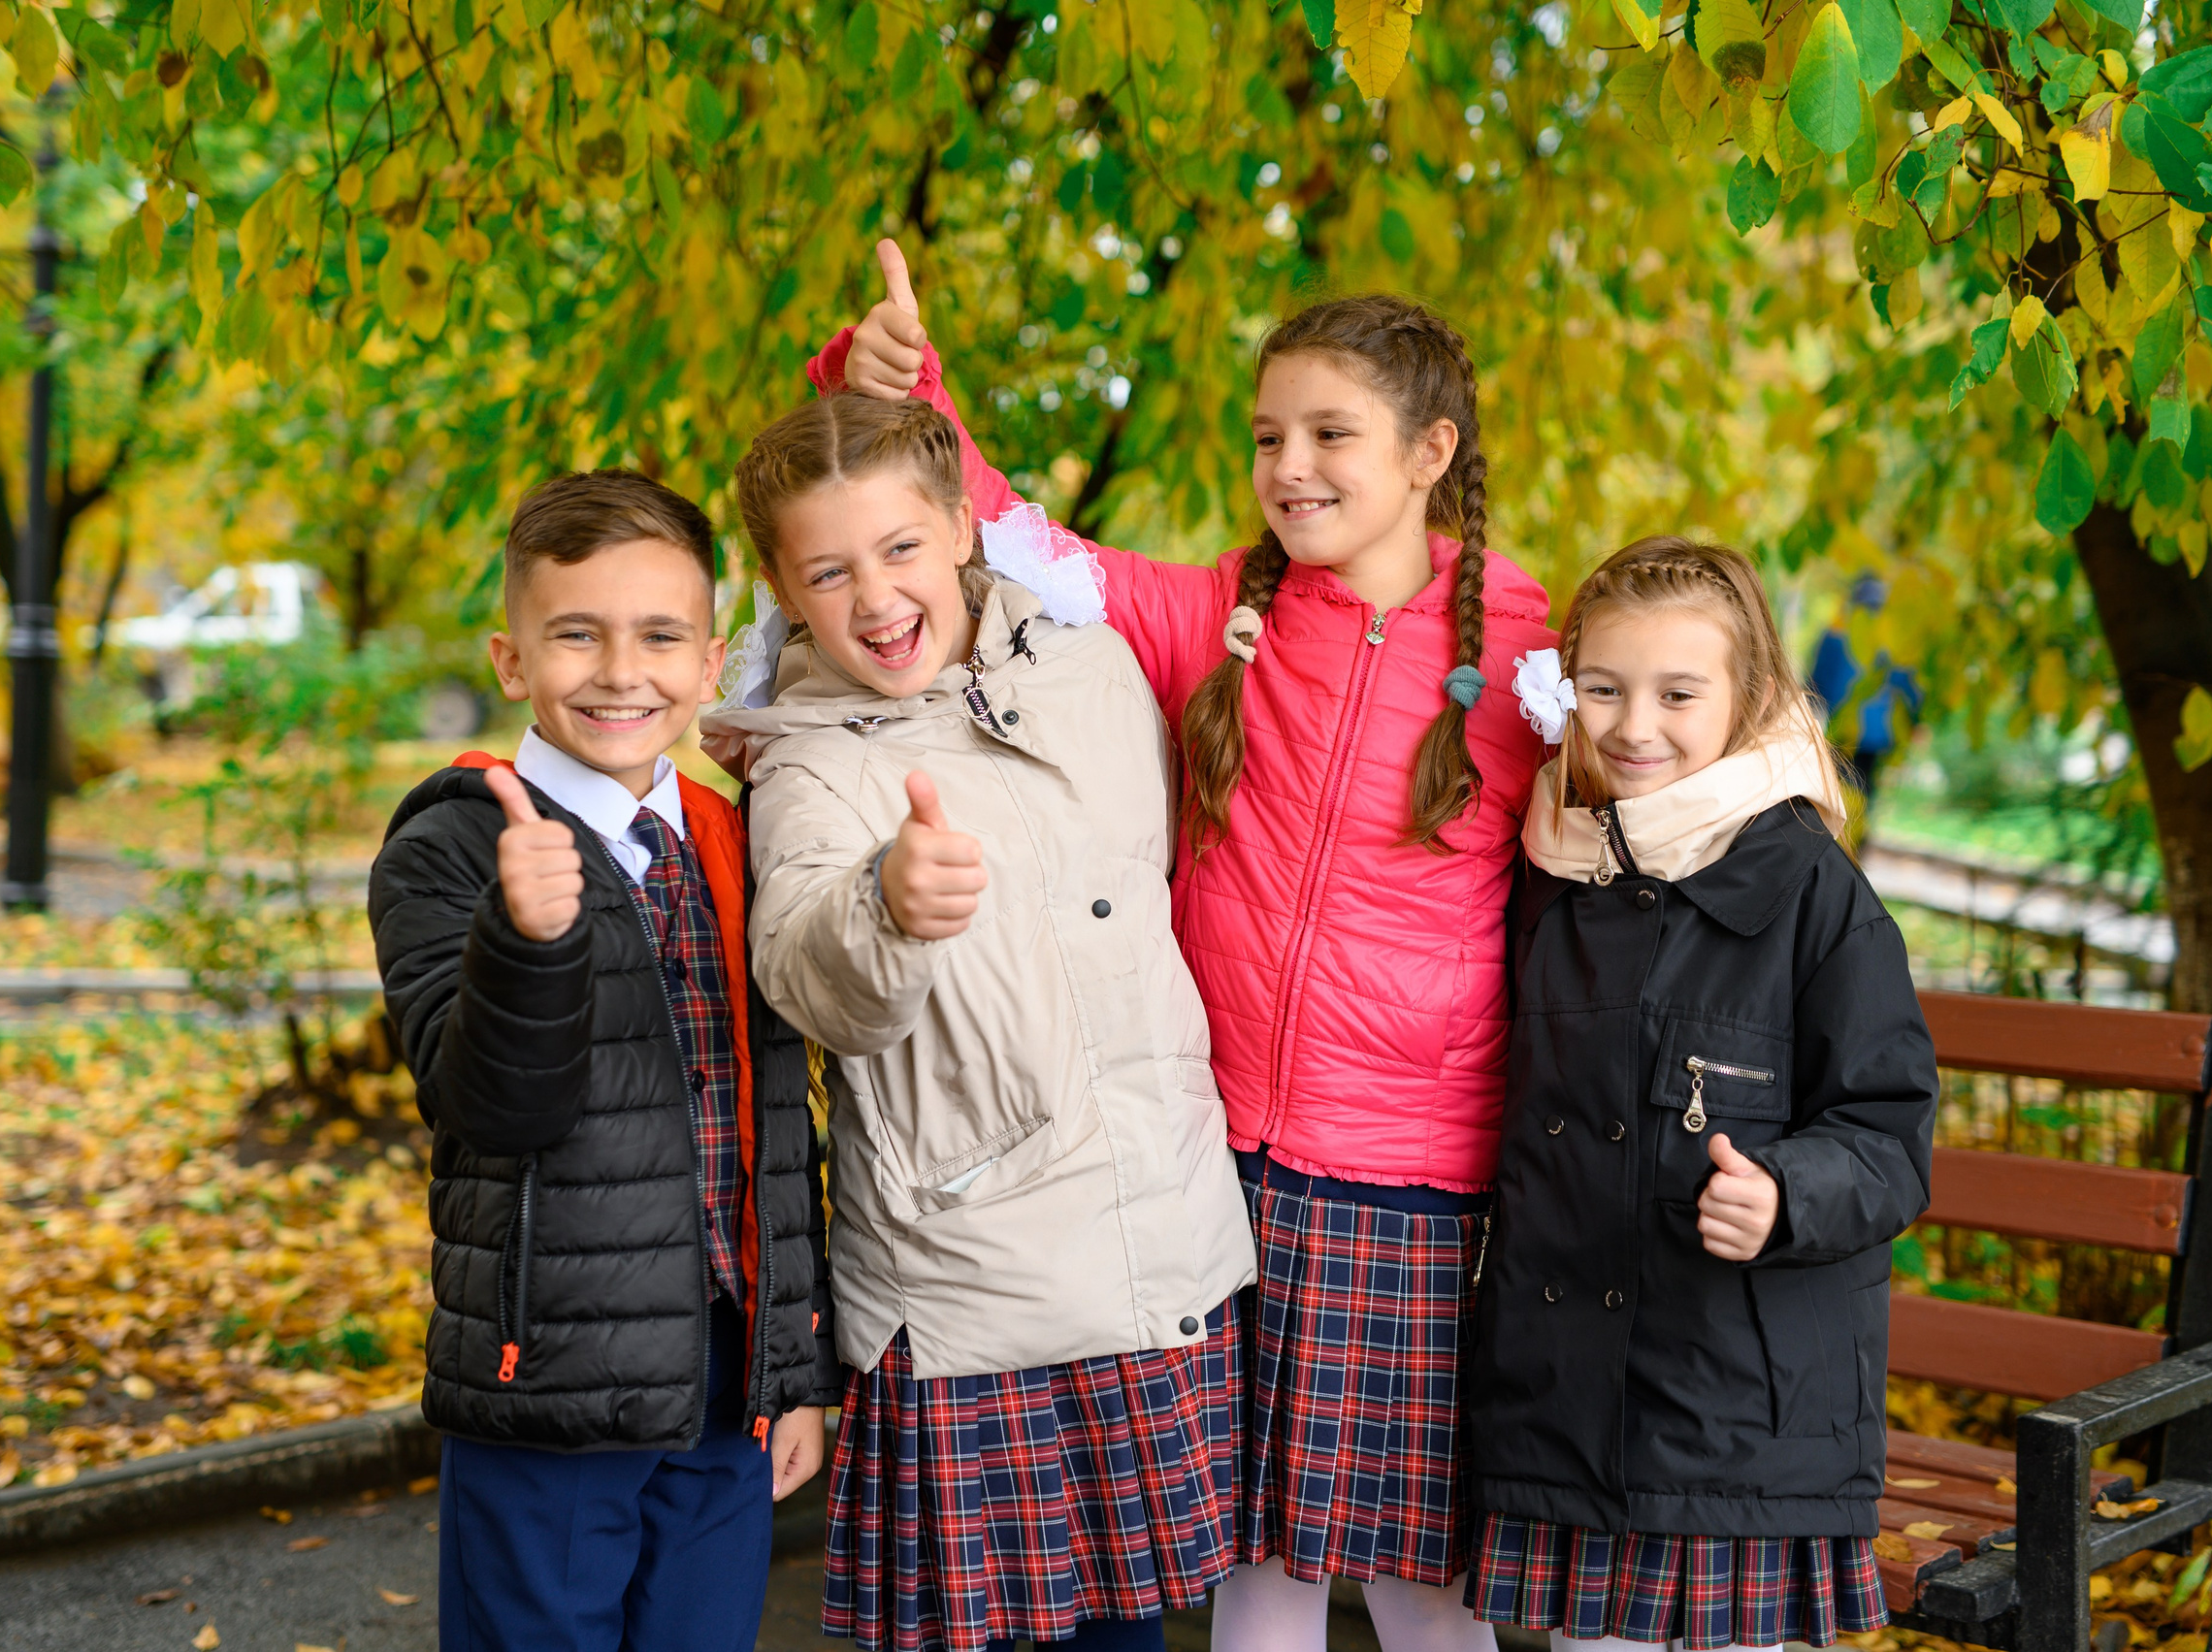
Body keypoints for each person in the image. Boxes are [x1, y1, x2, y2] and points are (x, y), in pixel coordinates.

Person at [828, 243, 1555, 1652]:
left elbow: (1679, 741)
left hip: (1410, 1179)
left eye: (1331, 433)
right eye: (1270, 434)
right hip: (1215, 1164)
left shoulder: (1532, 644)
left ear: (1431, 451)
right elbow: (1032, 547)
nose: (1290, 463)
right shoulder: (1228, 609)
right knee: (1250, 1555)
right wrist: (916, 388)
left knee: (1415, 1572)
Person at [700, 390, 1259, 1652]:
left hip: (1156, 1240)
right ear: (784, 587)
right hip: (972, 1288)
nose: (876, 595)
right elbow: (804, 970)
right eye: (828, 570)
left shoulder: (1093, 667)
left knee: (1132, 1635)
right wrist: (886, 907)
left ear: (961, 525)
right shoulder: (809, 758)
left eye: (899, 547)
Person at [367, 470, 840, 1652]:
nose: (621, 670)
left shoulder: (734, 832)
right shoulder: (457, 843)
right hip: (551, 1385)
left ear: (709, 654)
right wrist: (528, 943)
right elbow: (484, 1099)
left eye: (660, 635)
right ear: (512, 658)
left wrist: (796, 1364)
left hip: (727, 1381)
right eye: (576, 633)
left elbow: (781, 1128)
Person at [1466, 536, 1937, 1651]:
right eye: (1604, 689)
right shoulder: (1550, 866)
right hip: (1571, 1406)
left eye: (1678, 693)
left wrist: (1785, 1191)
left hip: (1741, 1416)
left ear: (1749, 697)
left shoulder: (1812, 889)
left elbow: (1888, 1130)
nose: (1636, 725)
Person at [1806, 573, 1921, 812]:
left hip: (1843, 728)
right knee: (1864, 790)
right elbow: (1908, 685)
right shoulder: (1893, 640)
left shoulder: (1837, 634)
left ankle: (1836, 842)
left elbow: (1817, 681)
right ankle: (1854, 843)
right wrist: (1914, 721)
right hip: (1879, 733)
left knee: (1834, 791)